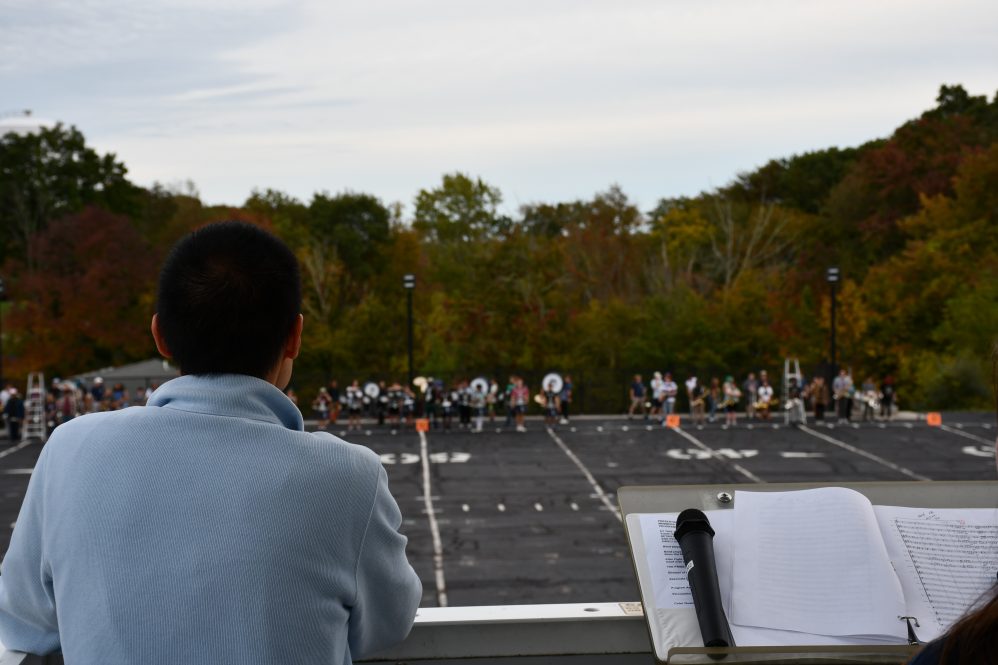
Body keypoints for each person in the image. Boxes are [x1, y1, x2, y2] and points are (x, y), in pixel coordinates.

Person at [0, 221, 421, 663]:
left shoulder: (70, 449)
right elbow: (389, 621)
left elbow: (26, 621)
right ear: (294, 336)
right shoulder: (350, 475)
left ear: (160, 335)